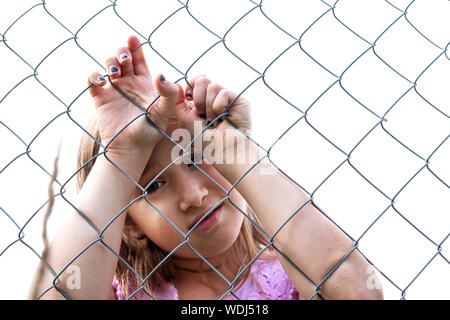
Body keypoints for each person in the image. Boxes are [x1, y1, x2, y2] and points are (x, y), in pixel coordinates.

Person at [32, 35, 383, 300]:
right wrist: (122, 156)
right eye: (153, 186)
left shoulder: (293, 270)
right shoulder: (129, 294)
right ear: (128, 224)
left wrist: (238, 152)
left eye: (196, 156)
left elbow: (359, 292)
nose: (194, 195)